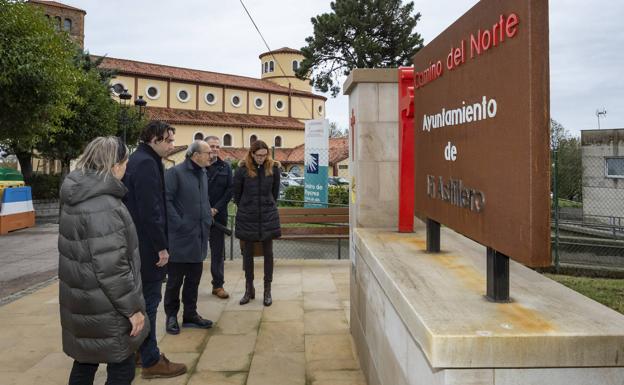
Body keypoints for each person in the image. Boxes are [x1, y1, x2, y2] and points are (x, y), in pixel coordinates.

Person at [58, 136, 148, 385]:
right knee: (122, 369)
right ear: (115, 165)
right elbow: (112, 268)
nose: (127, 168)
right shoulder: (104, 205)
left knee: (85, 363)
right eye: (125, 162)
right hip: (107, 305)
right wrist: (132, 310)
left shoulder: (76, 194)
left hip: (81, 300)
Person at [122, 121, 187, 379]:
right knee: (149, 303)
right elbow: (151, 211)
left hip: (138, 244)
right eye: (169, 140)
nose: (172, 145)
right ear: (154, 139)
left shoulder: (138, 158)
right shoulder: (147, 164)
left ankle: (139, 352)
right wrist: (161, 247)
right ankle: (150, 360)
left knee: (142, 302)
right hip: (147, 248)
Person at [164, 140, 214, 334]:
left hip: (199, 236)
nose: (211, 155)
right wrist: (180, 223)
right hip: (180, 239)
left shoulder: (202, 173)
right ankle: (171, 317)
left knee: (194, 280)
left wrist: (207, 217)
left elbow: (203, 199)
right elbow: (166, 201)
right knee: (175, 281)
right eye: (207, 152)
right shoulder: (175, 173)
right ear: (195, 155)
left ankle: (190, 315)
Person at [233, 140, 281, 307]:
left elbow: (275, 193)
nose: (262, 158)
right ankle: (249, 288)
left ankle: (267, 290)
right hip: (248, 216)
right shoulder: (241, 170)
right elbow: (236, 195)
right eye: (258, 155)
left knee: (268, 253)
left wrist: (266, 205)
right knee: (247, 254)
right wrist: (248, 207)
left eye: (264, 155)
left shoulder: (274, 168)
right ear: (252, 154)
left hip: (268, 216)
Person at [205, 135, 233, 299]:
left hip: (218, 217)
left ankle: (218, 285)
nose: (214, 149)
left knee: (217, 253)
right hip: (197, 217)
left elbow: (230, 190)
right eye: (211, 146)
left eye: (217, 146)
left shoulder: (226, 167)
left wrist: (215, 208)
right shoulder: (198, 166)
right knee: (193, 252)